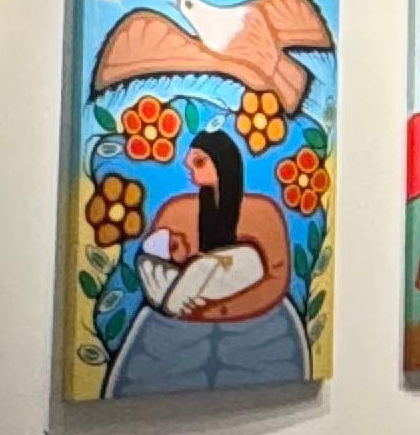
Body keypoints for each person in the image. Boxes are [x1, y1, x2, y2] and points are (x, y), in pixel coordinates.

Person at [108, 126, 308, 393]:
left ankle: (184, 290)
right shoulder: (176, 210)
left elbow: (276, 277)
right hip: (179, 306)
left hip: (243, 310)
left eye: (199, 162)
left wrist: (216, 297)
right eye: (189, 162)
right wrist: (171, 258)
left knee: (244, 259)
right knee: (149, 262)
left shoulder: (263, 211)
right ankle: (178, 295)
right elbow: (153, 258)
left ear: (223, 164)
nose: (189, 168)